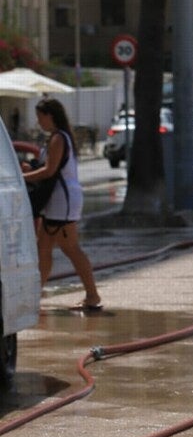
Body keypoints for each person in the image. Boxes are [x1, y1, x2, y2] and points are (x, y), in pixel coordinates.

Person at [23, 98, 102, 311]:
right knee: (44, 248)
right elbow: (49, 169)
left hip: (62, 201)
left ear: (50, 116)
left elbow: (49, 171)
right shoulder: (59, 138)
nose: (39, 122)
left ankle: (92, 295)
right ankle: (35, 296)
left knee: (70, 248)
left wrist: (24, 177)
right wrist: (31, 170)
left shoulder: (59, 138)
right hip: (58, 201)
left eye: (41, 117)